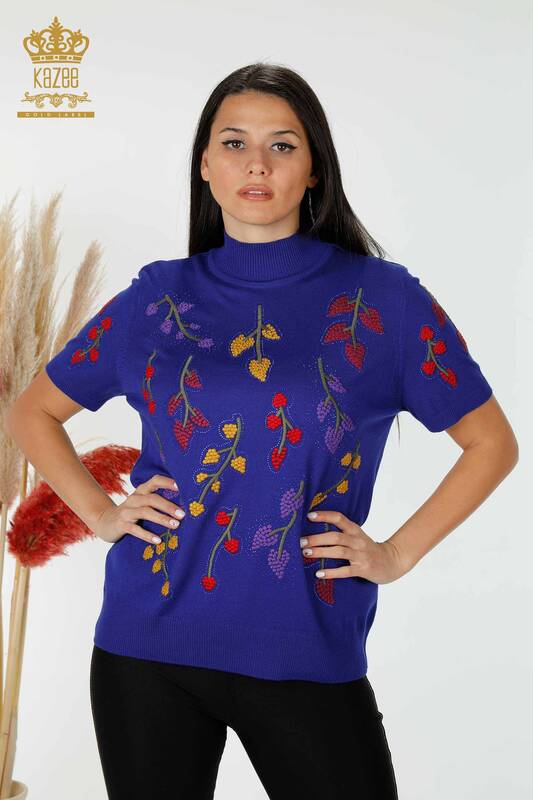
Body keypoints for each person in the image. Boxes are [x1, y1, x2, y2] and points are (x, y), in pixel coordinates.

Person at [7, 62, 518, 800]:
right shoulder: (157, 298)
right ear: (205, 167)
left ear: (314, 170)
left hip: (306, 647)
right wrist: (101, 513)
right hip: (145, 648)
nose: (256, 164)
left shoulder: (384, 301)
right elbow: (32, 411)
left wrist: (396, 553)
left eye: (282, 145)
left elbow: (492, 443)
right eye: (234, 143)